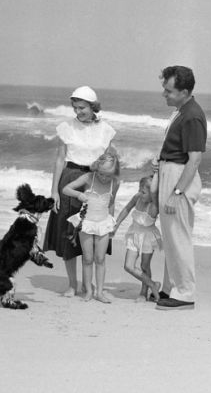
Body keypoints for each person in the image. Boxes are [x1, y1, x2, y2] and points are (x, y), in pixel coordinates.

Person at [41, 86, 117, 298]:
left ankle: (91, 286)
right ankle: (73, 285)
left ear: (93, 107)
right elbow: (59, 159)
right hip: (70, 180)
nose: (78, 112)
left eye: (82, 107)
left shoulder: (106, 130)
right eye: (75, 107)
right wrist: (54, 191)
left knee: (93, 232)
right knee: (69, 233)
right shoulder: (66, 127)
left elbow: (110, 163)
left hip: (95, 181)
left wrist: (111, 197)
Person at [153, 65, 206, 311]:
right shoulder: (180, 110)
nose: (165, 94)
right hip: (170, 171)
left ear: (184, 91)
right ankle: (170, 287)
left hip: (179, 176)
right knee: (170, 236)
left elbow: (194, 160)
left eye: (169, 91)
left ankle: (185, 293)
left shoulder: (192, 115)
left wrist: (177, 193)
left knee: (179, 236)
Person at [62, 153, 120, 303]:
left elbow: (111, 202)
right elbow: (66, 189)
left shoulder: (115, 182)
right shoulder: (89, 177)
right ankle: (88, 291)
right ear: (96, 168)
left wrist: (112, 223)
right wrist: (79, 195)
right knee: (87, 259)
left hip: (103, 223)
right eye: (101, 173)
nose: (104, 178)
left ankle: (99, 292)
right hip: (86, 223)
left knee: (100, 259)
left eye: (108, 175)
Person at [112, 175, 163, 303]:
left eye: (144, 192)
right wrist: (116, 225)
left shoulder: (154, 206)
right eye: (139, 189)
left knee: (144, 266)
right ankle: (153, 284)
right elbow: (126, 209)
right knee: (128, 266)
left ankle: (143, 292)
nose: (140, 193)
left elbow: (155, 196)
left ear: (153, 194)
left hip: (148, 237)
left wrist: (155, 187)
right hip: (133, 234)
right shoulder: (137, 197)